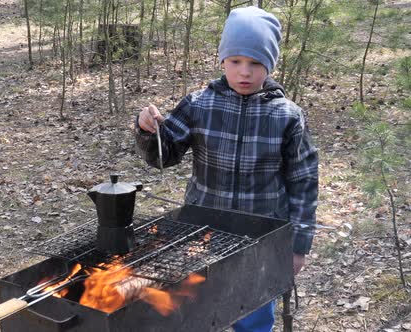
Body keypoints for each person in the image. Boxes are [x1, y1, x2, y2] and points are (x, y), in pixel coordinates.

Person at [134, 6, 318, 332]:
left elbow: (303, 182)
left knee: (253, 314)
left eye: (255, 63)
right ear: (222, 61)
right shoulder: (199, 105)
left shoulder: (287, 116)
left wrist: (298, 245)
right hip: (201, 231)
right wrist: (149, 130)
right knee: (197, 309)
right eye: (235, 62)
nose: (244, 72)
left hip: (260, 237)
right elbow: (164, 156)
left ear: (270, 65)